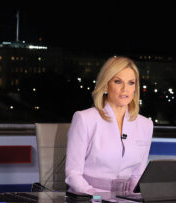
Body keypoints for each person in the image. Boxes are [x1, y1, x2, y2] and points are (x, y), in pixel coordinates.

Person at [65, 56, 154, 194]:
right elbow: (73, 175)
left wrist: (133, 200)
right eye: (118, 82)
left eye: (131, 83)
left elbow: (138, 175)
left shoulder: (146, 125)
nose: (125, 89)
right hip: (89, 201)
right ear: (106, 85)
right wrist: (98, 197)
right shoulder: (84, 119)